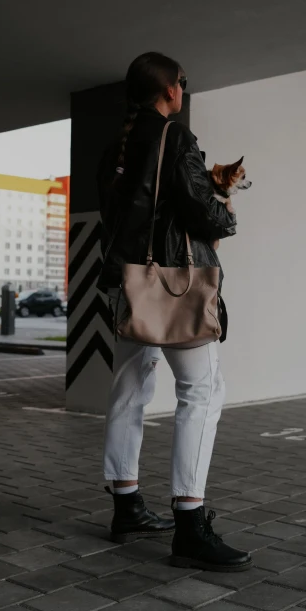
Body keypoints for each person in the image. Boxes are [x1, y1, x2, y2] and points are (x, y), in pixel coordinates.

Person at [96, 51, 252, 572]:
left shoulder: (115, 148)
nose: (183, 91)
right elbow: (206, 216)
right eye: (182, 84)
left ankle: (127, 506)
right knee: (202, 392)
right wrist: (224, 198)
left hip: (131, 288)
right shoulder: (175, 137)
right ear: (171, 91)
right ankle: (190, 524)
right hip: (176, 286)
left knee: (128, 391)